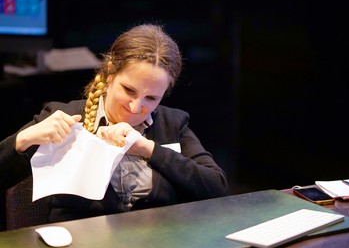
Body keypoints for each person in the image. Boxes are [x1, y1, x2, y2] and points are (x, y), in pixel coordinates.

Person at [0, 24, 228, 224]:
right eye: (129, 90)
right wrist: (23, 140)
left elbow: (216, 187)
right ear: (110, 74)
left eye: (151, 98)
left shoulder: (172, 123)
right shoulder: (65, 116)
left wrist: (148, 149)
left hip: (154, 247)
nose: (135, 107)